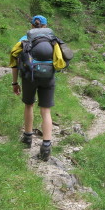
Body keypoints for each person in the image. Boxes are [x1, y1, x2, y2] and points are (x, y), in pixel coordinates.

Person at [9, 15, 66, 161]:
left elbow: (14, 62)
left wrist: (15, 83)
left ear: (32, 26)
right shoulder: (52, 40)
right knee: (45, 111)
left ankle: (27, 138)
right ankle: (46, 147)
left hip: (29, 77)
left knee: (29, 105)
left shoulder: (25, 38)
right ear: (46, 25)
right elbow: (60, 61)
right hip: (48, 78)